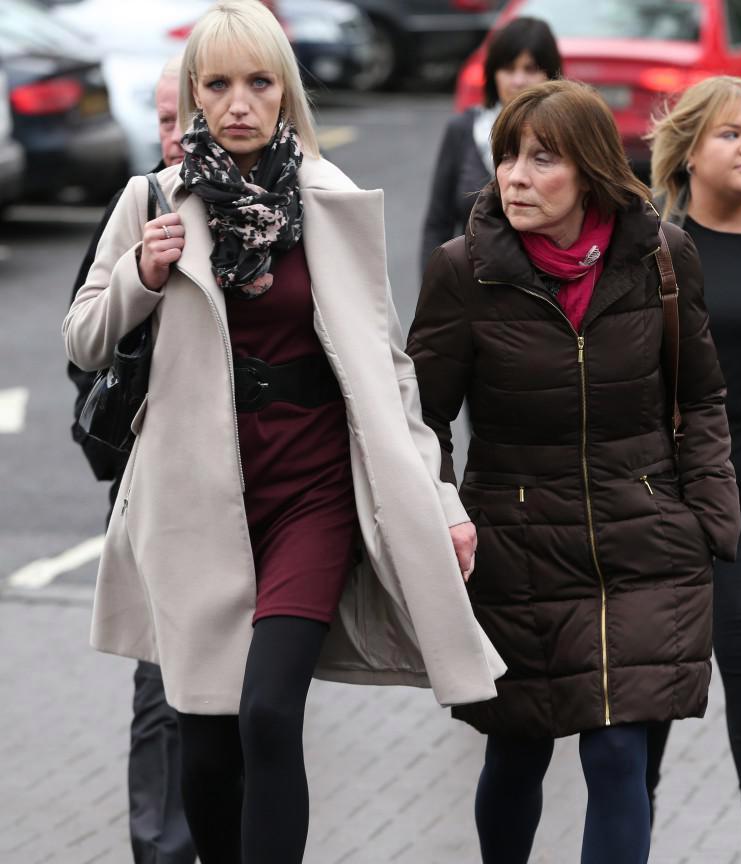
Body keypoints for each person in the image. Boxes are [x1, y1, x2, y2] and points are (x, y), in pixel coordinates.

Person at [62, 2, 505, 863]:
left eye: (258, 82)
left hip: (312, 491)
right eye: (218, 84)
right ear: (194, 94)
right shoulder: (152, 200)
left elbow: (388, 371)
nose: (237, 102)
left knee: (268, 709)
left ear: (284, 91)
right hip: (196, 500)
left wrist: (441, 496)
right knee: (206, 736)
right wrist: (140, 277)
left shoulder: (331, 200)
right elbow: (83, 337)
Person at [407, 79, 741, 864]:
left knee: (619, 752)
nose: (515, 177)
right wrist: (445, 517)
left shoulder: (663, 257)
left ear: (589, 171)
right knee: (518, 749)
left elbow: (701, 393)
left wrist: (708, 518)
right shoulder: (464, 271)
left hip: (646, 542)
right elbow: (420, 419)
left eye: (541, 159)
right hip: (518, 551)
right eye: (508, 158)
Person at [66, 56, 195, 864]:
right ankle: (160, 850)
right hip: (152, 490)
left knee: (247, 705)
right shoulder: (141, 202)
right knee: (161, 693)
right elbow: (83, 351)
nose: (177, 134)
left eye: (189, 114)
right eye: (165, 119)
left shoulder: (286, 202)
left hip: (263, 497)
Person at [646, 75, 741, 863]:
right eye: (731, 132)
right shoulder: (656, 254)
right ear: (687, 152)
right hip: (674, 510)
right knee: (639, 733)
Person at [420, 16, 561, 272]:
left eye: (530, 69)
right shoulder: (463, 130)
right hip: (471, 294)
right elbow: (437, 224)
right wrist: (432, 294)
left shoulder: (566, 134)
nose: (518, 81)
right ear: (493, 73)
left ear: (550, 74)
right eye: (508, 69)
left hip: (545, 294)